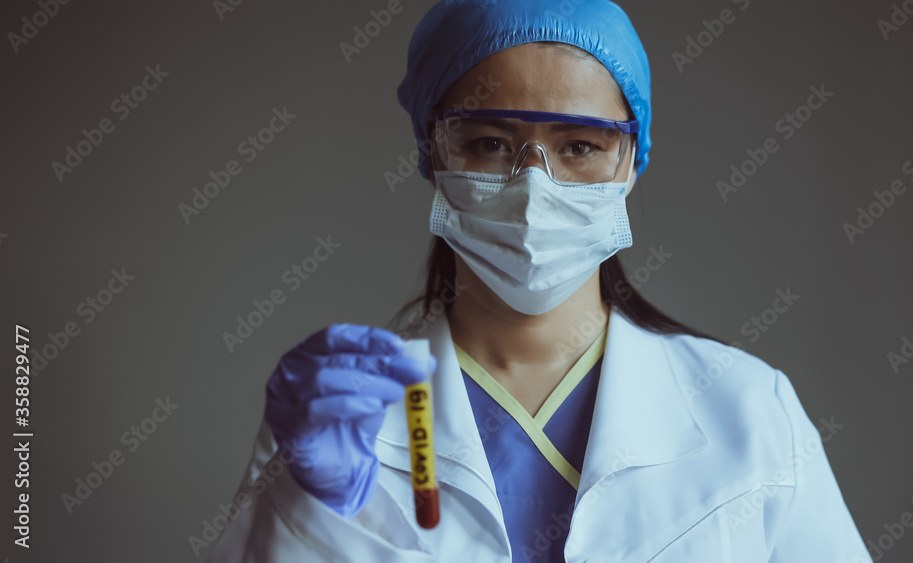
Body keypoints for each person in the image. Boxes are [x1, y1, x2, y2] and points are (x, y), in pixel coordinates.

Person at [207, 1, 871, 561]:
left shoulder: (750, 413)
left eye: (579, 145)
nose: (533, 187)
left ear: (632, 160)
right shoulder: (345, 417)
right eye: (489, 143)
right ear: (431, 154)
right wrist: (304, 507)